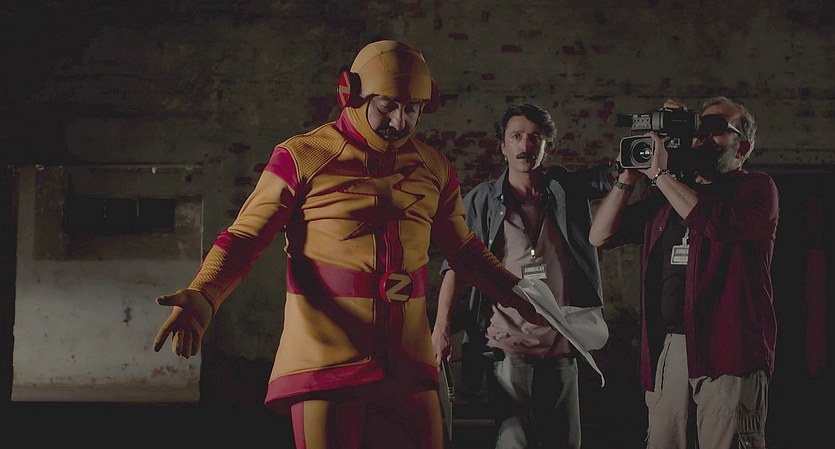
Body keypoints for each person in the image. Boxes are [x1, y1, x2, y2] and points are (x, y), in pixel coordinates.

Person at [151, 40, 549, 449]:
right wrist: (205, 292)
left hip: (407, 364)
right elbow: (245, 237)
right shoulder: (303, 156)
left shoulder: (434, 167)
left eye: (413, 108)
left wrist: (516, 293)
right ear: (352, 93)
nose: (400, 121)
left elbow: (463, 251)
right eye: (387, 106)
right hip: (326, 360)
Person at [588, 96, 778, 449]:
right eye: (699, 128)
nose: (702, 136)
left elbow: (715, 223)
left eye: (716, 129)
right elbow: (600, 236)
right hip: (671, 345)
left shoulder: (756, 189)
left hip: (728, 348)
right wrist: (629, 177)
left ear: (744, 147)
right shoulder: (666, 195)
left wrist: (661, 175)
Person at [431, 103, 614, 449]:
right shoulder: (484, 200)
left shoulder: (563, 190)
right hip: (507, 347)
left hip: (560, 345)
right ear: (502, 145)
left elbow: (603, 179)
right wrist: (441, 329)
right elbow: (456, 267)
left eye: (534, 138)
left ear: (547, 145)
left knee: (565, 444)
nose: (525, 145)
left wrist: (630, 168)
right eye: (516, 136)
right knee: (515, 443)